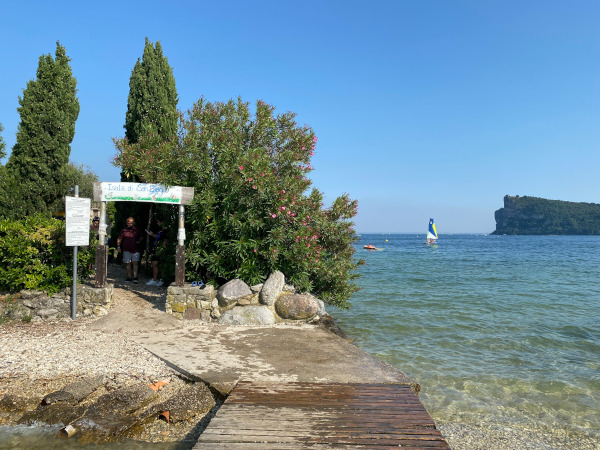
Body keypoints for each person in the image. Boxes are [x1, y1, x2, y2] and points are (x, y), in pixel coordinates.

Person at [116, 217, 143, 283]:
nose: (129, 224)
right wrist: (118, 247)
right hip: (126, 249)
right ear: (126, 222)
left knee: (135, 263)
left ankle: (135, 277)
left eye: (131, 222)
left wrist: (139, 241)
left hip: (135, 249)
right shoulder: (124, 230)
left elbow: (142, 237)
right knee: (127, 263)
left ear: (133, 223)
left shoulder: (137, 230)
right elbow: (119, 239)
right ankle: (129, 276)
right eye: (128, 222)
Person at [146, 218, 168, 287]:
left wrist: (163, 248)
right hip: (156, 248)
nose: (157, 223)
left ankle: (161, 279)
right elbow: (158, 237)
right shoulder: (159, 229)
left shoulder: (166, 230)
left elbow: (165, 240)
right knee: (154, 263)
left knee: (161, 265)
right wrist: (152, 235)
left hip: (161, 249)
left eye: (158, 222)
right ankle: (154, 279)